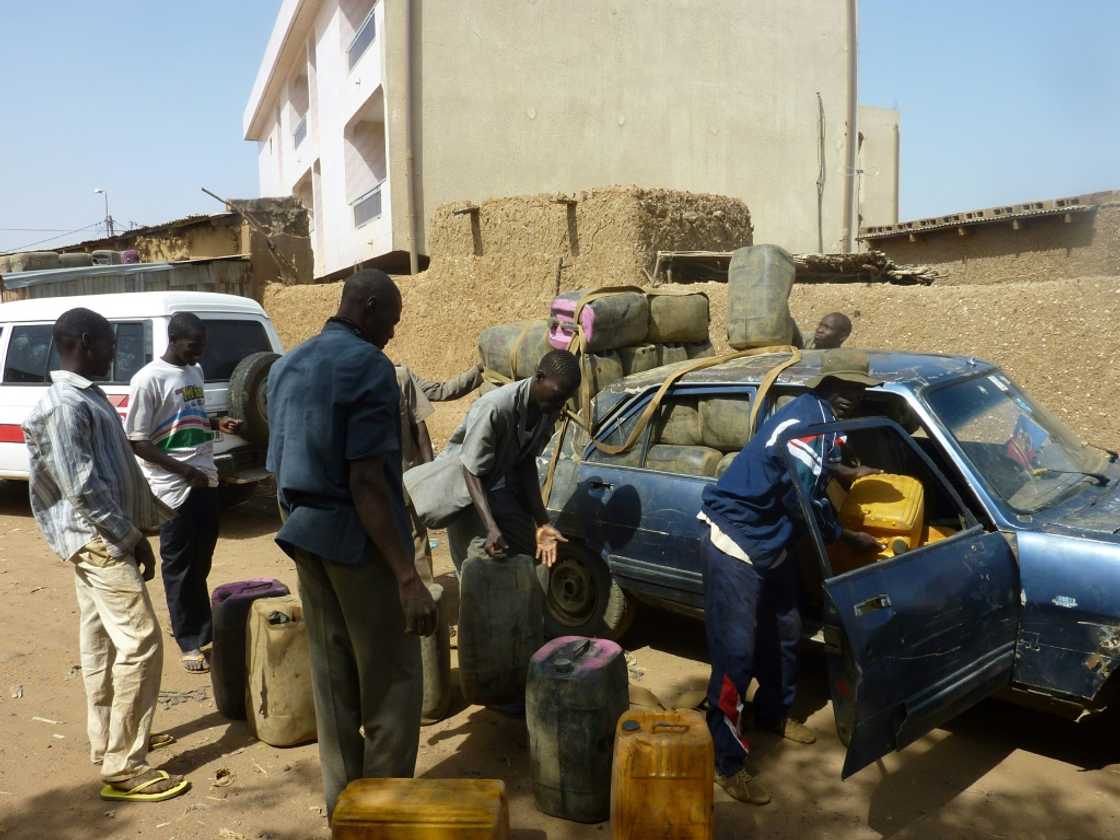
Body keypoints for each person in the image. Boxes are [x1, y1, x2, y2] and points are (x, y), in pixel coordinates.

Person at [266, 269, 436, 819]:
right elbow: (368, 484)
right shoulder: (369, 367)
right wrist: (407, 577)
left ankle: (346, 807)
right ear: (368, 306)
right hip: (359, 545)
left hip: (305, 538)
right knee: (391, 681)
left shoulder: (287, 365)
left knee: (332, 679)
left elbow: (277, 464)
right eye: (390, 319)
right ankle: (382, 813)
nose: (392, 332)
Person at [697, 350, 883, 806]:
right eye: (847, 389)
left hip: (771, 539)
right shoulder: (804, 422)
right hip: (736, 537)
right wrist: (843, 539)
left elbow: (816, 475)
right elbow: (805, 499)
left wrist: (849, 473)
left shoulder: (823, 420)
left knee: (785, 629)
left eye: (859, 391)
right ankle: (726, 762)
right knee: (736, 655)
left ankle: (772, 714)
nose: (853, 399)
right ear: (827, 386)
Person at [22, 308, 189, 803]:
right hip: (97, 540)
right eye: (109, 344)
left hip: (101, 536)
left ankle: (106, 741)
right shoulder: (62, 406)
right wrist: (130, 537)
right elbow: (83, 489)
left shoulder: (85, 396)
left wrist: (137, 528)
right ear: (84, 342)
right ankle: (124, 764)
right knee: (141, 641)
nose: (115, 352)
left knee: (101, 640)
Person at [125, 313, 242, 673]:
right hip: (172, 487)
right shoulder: (147, 380)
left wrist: (214, 423)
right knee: (179, 566)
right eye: (195, 345)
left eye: (203, 344)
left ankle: (202, 630)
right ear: (174, 340)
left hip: (204, 478)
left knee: (201, 562)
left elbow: (187, 415)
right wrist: (182, 470)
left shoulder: (195, 371)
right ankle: (189, 641)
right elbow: (138, 441)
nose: (201, 351)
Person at [405, 350, 581, 573]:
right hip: (464, 493)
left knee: (523, 550)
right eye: (556, 396)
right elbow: (470, 471)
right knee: (478, 567)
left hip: (495, 487)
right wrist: (491, 527)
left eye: (564, 399)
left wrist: (542, 521)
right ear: (539, 377)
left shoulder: (548, 408)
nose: (559, 405)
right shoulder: (495, 408)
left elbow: (526, 461)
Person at [395, 362, 484, 583]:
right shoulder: (398, 376)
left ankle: (426, 595)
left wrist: (478, 372)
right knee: (411, 539)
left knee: (415, 538)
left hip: (404, 476)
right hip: (390, 478)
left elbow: (441, 391)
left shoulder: (401, 376)